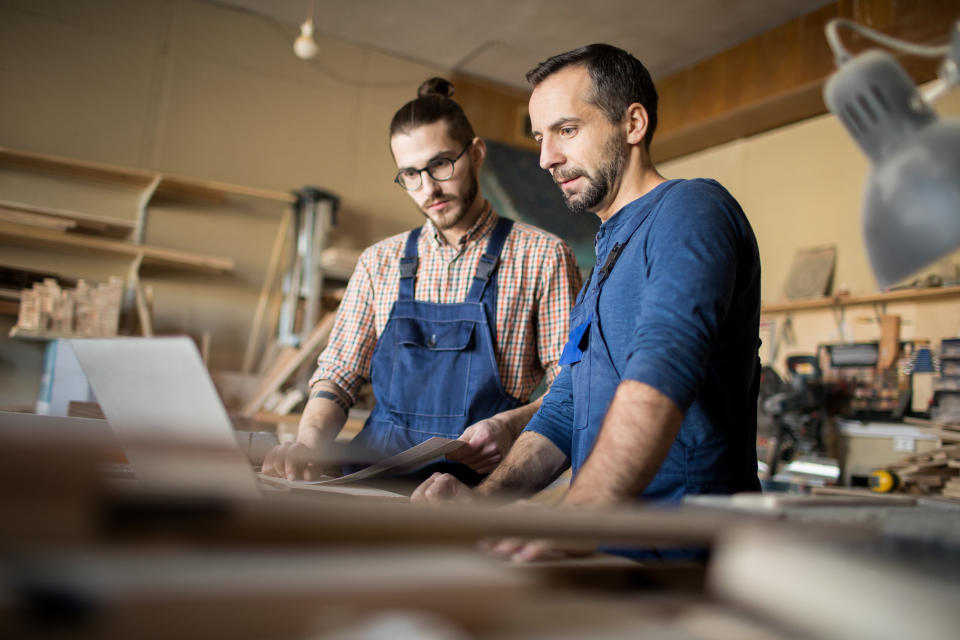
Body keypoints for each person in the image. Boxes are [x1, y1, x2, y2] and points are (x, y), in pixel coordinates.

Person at [412, 44, 762, 560]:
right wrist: (479, 506)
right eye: (540, 137)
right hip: (605, 550)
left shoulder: (690, 209)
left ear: (633, 124)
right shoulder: (606, 255)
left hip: (682, 559)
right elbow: (565, 408)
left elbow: (663, 373)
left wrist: (572, 517)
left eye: (567, 130)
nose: (546, 158)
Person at [262, 77, 581, 487]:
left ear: (477, 154)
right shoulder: (380, 262)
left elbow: (571, 387)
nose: (428, 188)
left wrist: (508, 425)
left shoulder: (542, 256)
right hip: (370, 482)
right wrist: (306, 444)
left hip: (478, 491)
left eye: (441, 165)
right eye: (410, 175)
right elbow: (339, 375)